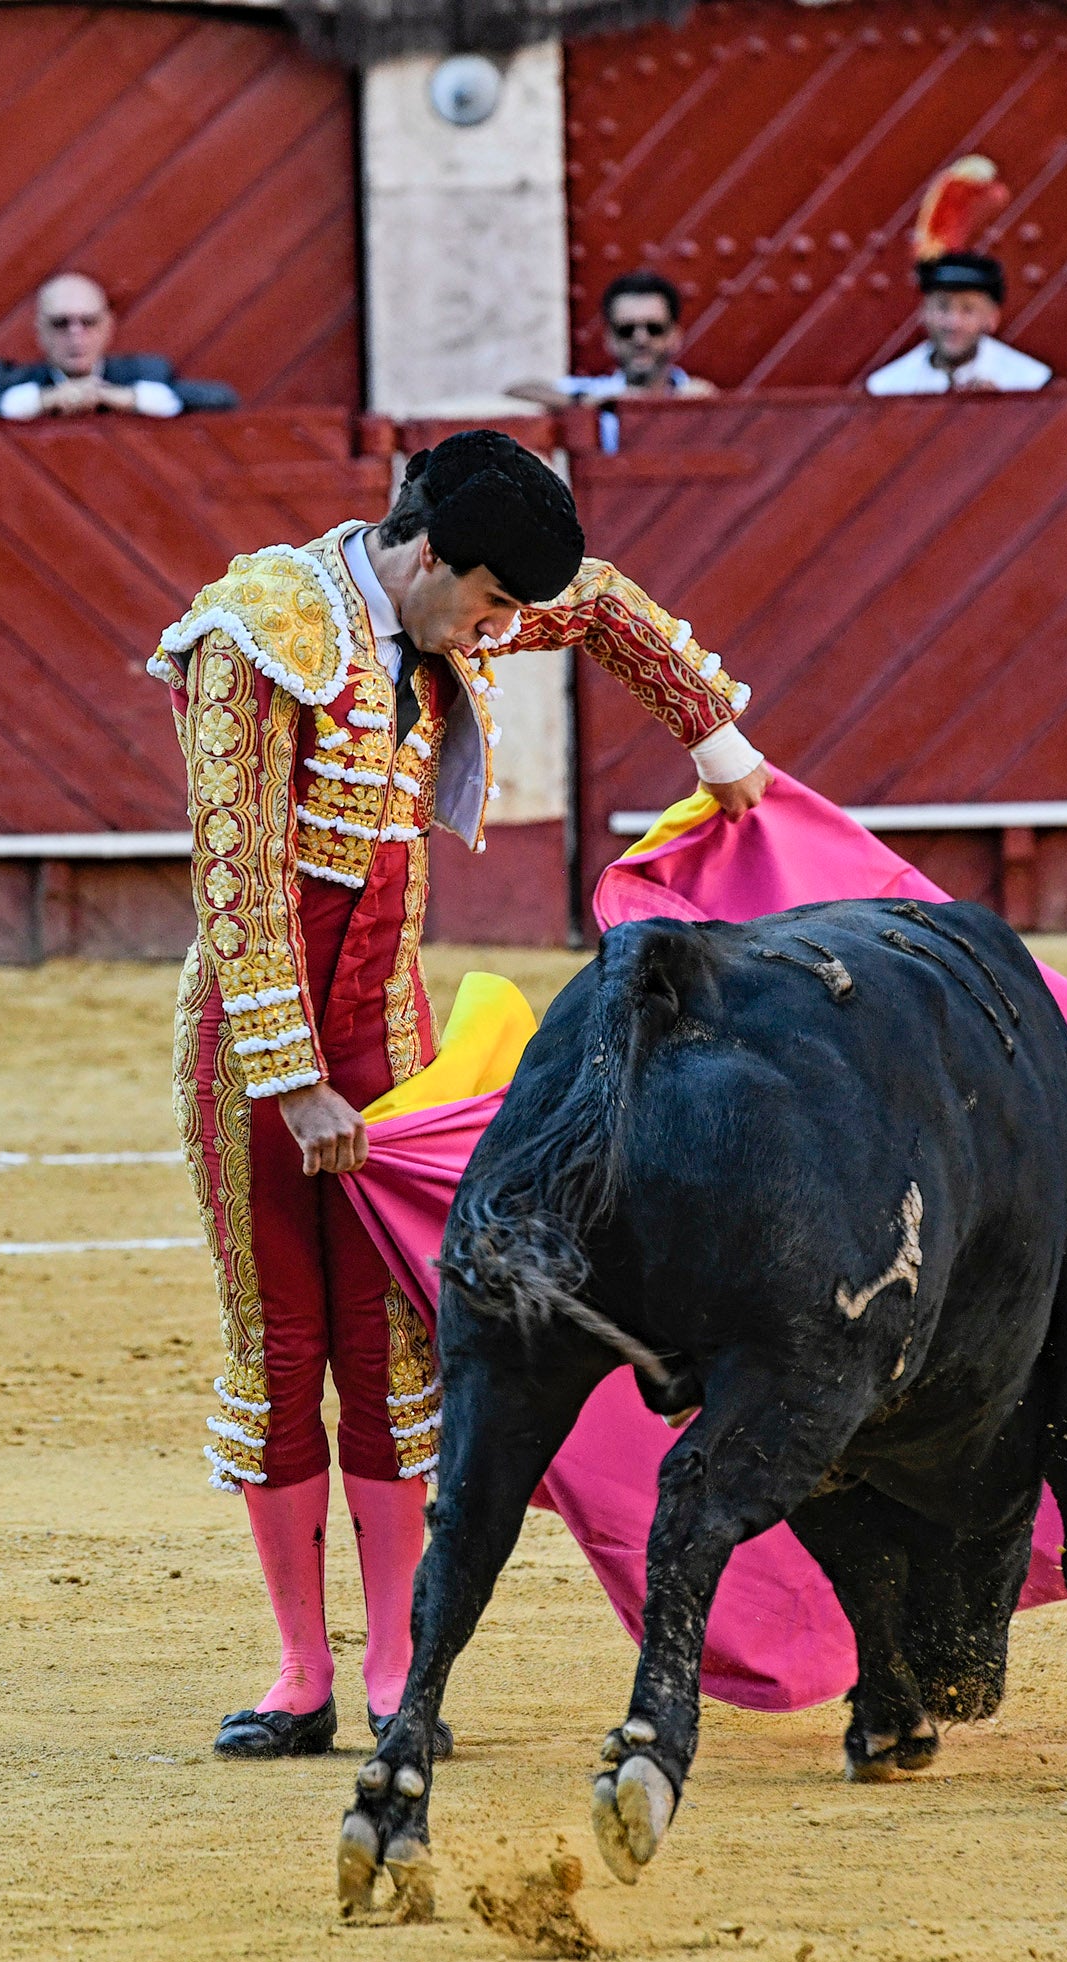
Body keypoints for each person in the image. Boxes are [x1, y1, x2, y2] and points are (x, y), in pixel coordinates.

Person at [149, 429, 767, 1759]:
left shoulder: (444, 601)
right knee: (279, 1349)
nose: (489, 632)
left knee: (392, 1345)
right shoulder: (259, 631)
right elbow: (238, 868)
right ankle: (299, 1671)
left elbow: (595, 604)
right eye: (483, 604)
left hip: (392, 1037)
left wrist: (716, 742)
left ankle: (390, 1669)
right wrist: (294, 1078)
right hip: (259, 1053)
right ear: (428, 555)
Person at [0, 273, 238, 419]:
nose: (76, 336)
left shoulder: (146, 373)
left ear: (107, 326)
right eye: (60, 323)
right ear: (40, 330)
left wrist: (124, 397)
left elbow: (222, 398)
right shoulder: (12, 379)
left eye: (88, 322)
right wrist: (45, 399)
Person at [508, 270, 716, 412]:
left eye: (654, 328)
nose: (640, 339)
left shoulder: (695, 394)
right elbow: (518, 390)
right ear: (610, 339)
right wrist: (585, 402)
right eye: (626, 330)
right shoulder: (598, 393)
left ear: (674, 336)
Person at [865, 251, 1051, 396]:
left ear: (991, 319)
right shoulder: (888, 386)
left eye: (968, 310)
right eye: (942, 308)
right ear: (924, 313)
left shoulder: (1029, 381)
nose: (953, 323)